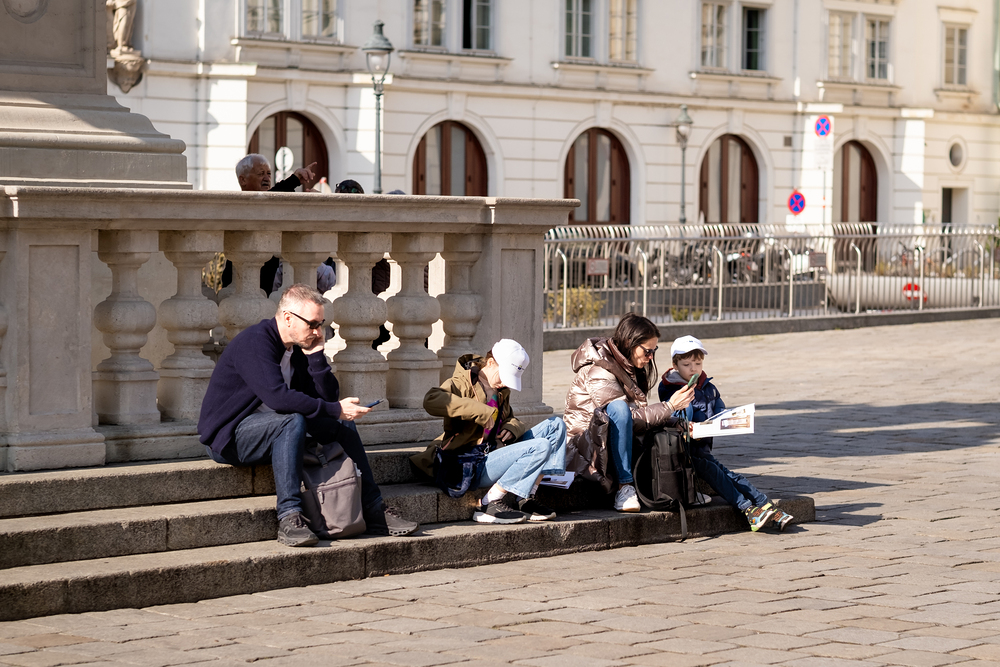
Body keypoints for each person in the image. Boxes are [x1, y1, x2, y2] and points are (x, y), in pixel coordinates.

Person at [197, 283, 419, 546]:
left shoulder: (298, 347)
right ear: (288, 318)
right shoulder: (255, 342)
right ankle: (289, 516)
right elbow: (278, 398)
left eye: (321, 324)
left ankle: (373, 508)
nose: (317, 332)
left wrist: (316, 358)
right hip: (230, 437)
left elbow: (326, 397)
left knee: (342, 426)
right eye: (312, 324)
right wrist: (335, 409)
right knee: (292, 421)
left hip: (278, 431)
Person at [413, 339, 567, 524]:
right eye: (504, 376)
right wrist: (480, 411)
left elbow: (510, 419)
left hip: (495, 453)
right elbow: (431, 399)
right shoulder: (462, 382)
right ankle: (489, 503)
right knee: (541, 446)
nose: (504, 383)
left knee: (556, 425)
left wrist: (512, 428)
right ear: (491, 362)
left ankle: (525, 498)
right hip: (470, 463)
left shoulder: (501, 391)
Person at [658, 335, 792, 532]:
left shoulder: (708, 388)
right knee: (717, 474)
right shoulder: (671, 389)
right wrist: (688, 422)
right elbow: (674, 416)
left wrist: (730, 419)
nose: (693, 369)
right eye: (686, 364)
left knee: (729, 474)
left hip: (703, 448)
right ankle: (748, 510)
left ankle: (767, 506)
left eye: (698, 363)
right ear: (675, 365)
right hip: (685, 453)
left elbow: (720, 411)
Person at [562, 314, 693, 512]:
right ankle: (625, 488)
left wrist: (676, 421)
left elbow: (638, 415)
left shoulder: (627, 365)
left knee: (682, 420)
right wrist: (669, 407)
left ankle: (688, 486)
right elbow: (624, 418)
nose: (651, 357)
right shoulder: (598, 371)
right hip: (585, 446)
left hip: (608, 440)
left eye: (654, 350)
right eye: (647, 351)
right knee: (618, 408)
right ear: (628, 343)